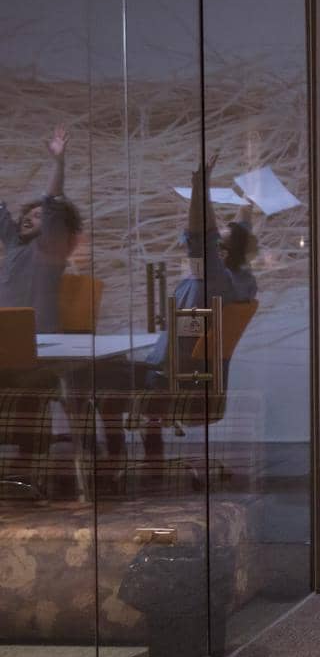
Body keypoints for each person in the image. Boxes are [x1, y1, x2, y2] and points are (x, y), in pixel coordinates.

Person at [89, 156, 259, 464]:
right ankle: (152, 459)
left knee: (98, 379)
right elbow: (240, 231)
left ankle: (113, 461)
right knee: (119, 371)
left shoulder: (212, 278)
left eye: (220, 237)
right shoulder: (243, 281)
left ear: (220, 252)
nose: (217, 230)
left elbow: (200, 234)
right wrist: (247, 202)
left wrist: (200, 187)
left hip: (173, 383)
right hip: (196, 382)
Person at [0, 125, 83, 332]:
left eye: (38, 216)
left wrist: (58, 164)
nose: (28, 218)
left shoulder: (49, 247)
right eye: (28, 214)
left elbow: (53, 202)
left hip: (39, 340)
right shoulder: (14, 243)